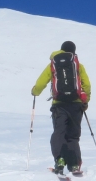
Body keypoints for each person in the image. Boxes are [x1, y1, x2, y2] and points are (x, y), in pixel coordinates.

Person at [31, 41, 91, 174]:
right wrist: (85, 101)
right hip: (76, 105)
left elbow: (41, 83)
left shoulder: (53, 64)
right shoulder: (78, 65)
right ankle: (74, 164)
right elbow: (86, 85)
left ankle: (60, 159)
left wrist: (35, 91)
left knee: (59, 132)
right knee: (73, 136)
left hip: (59, 104)